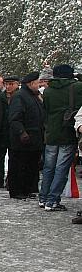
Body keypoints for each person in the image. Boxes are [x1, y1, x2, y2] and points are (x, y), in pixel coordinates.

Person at [39, 64, 82, 211]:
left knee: (49, 167)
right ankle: (53, 200)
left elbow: (46, 111)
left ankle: (43, 197)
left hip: (51, 133)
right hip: (67, 132)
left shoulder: (48, 90)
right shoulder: (77, 87)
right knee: (61, 168)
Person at [7, 72, 44, 199]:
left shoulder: (33, 96)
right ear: (31, 83)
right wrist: (22, 132)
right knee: (19, 166)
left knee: (30, 166)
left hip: (34, 139)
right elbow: (14, 118)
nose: (39, 85)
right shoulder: (20, 96)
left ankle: (27, 189)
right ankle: (17, 191)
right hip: (22, 140)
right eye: (37, 83)